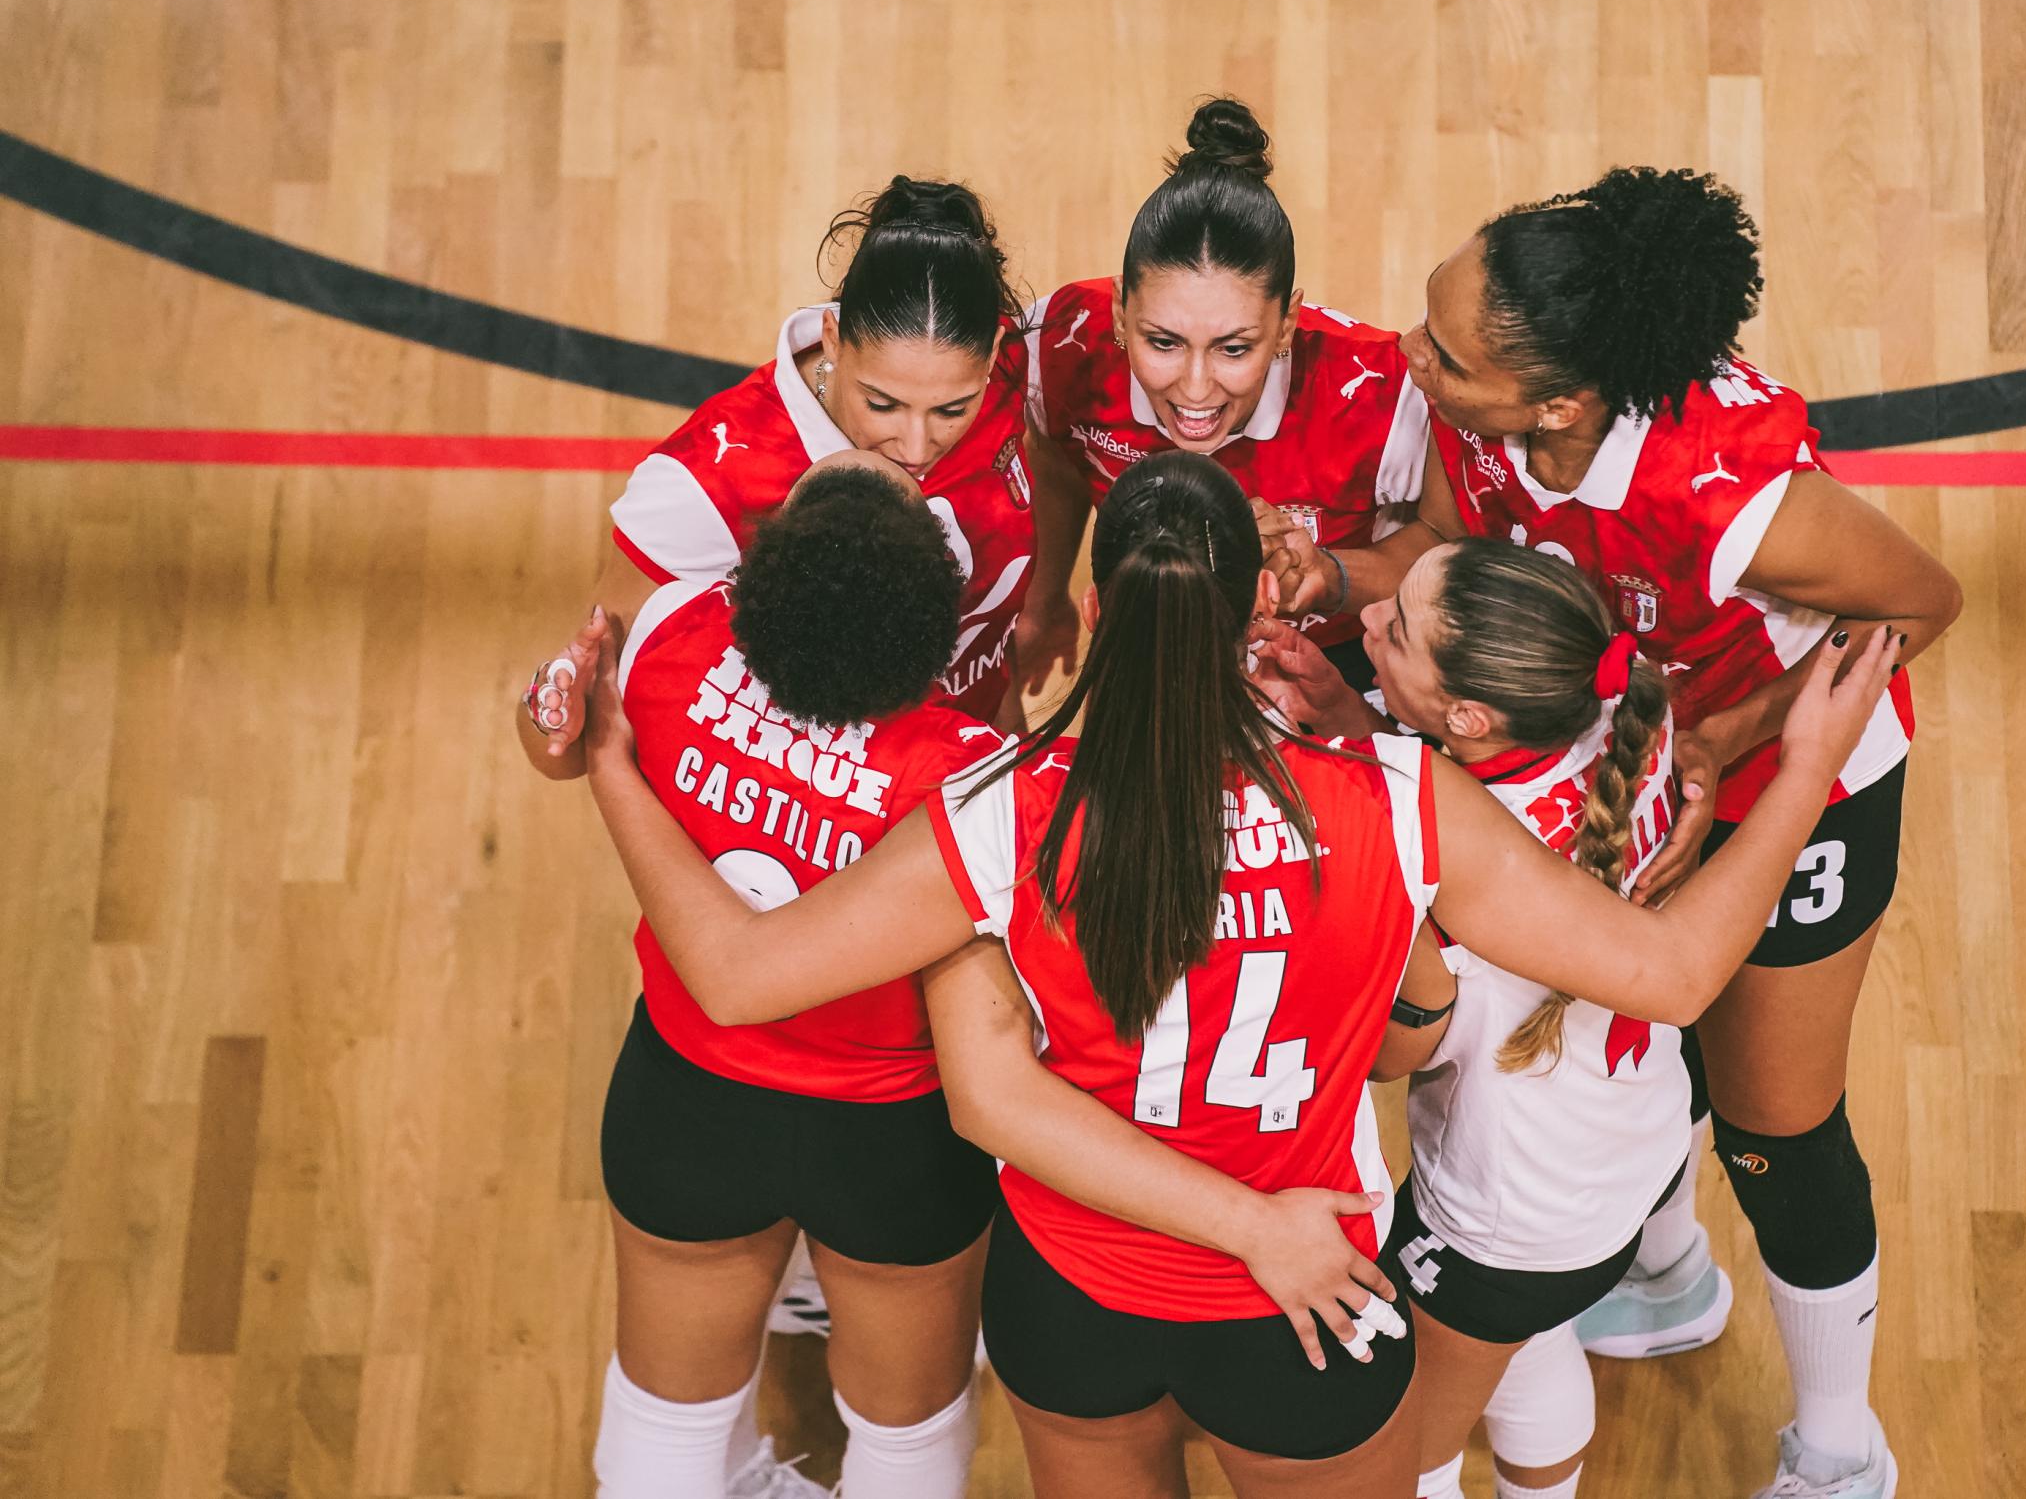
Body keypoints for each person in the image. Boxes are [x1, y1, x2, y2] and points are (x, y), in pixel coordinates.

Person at [576, 451, 1900, 1499]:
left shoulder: (995, 809)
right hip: (1304, 1301)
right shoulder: (1401, 800)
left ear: (1093, 610)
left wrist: (610, 762)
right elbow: (1669, 972)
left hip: (1071, 1297)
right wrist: (1799, 769)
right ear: (1264, 603)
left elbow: (780, 992)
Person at [1268, 168, 1963, 1499]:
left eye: (1446, 354)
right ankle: (1656, 1275)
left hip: (1777, 772)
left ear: (1562, 400)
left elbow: (1917, 604)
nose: (1412, 359)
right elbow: (1441, 556)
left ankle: (1838, 1447)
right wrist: (1327, 578)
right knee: (1613, 1047)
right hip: (1622, 751)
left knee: (1774, 1119)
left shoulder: (1728, 491)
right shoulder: (1487, 417)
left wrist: (1737, 735)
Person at [549, 447, 1392, 1499]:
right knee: (904, 1433)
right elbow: (1410, 1029)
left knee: (664, 1416)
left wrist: (600, 759)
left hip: (698, 1096)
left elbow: (584, 740)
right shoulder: (971, 775)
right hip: (895, 1138)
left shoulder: (678, 642)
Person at [1249, 539, 1692, 1499]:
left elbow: (1392, 1050)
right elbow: (1475, 799)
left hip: (1504, 1211)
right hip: (1625, 1151)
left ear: (1466, 714)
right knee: (1526, 1348)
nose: (1366, 623)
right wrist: (1352, 713)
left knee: (1409, 1455)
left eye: (1395, 632)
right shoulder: (1621, 716)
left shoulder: (1447, 854)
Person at [522, 175, 1039, 773]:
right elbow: (566, 750)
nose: (917, 445)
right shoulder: (703, 487)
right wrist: (554, 705)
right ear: (833, 338)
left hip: (975, 775)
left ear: (997, 350)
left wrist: (1043, 607)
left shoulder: (1007, 375)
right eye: (882, 403)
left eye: (952, 410)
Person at [1009, 97, 1428, 694]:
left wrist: (1329, 573)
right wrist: (1046, 599)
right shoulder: (1062, 342)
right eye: (1163, 342)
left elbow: (1443, 543)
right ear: (1119, 313)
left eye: (1234, 348)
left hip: (1336, 664)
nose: (1195, 389)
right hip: (1153, 641)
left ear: (1286, 325)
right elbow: (1056, 453)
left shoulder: (1385, 393)